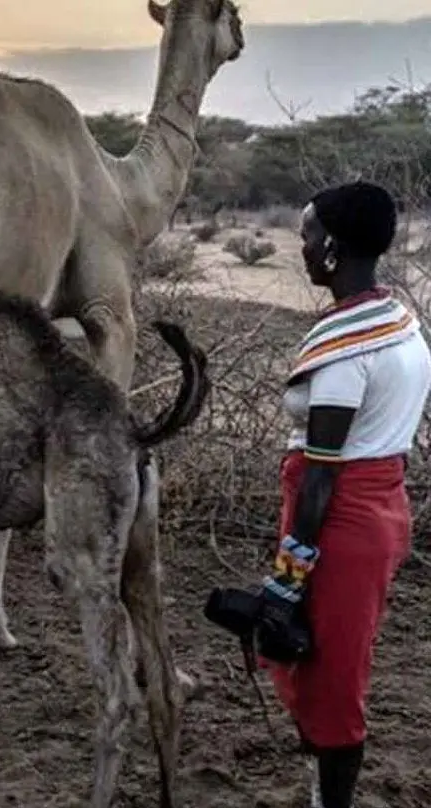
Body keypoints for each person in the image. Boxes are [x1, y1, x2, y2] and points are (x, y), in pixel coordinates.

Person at [255, 180, 428, 808]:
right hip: (381, 510)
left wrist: (287, 580)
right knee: (335, 658)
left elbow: (323, 475)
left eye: (306, 234)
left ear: (331, 246)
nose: (300, 245)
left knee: (332, 678)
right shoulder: (399, 323)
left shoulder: (345, 353)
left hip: (339, 524)